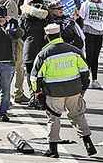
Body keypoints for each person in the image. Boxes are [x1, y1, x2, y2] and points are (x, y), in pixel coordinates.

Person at [32, 23, 95, 158]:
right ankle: (88, 143)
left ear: (47, 37)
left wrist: (37, 93)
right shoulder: (74, 51)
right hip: (74, 90)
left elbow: (34, 77)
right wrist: (83, 88)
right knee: (77, 115)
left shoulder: (43, 54)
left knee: (53, 118)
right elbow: (85, 71)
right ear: (60, 35)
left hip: (54, 93)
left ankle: (53, 150)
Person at [77, 0, 103, 89]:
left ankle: (95, 79)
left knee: (95, 57)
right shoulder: (86, 4)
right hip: (88, 32)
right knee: (89, 56)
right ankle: (84, 79)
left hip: (98, 34)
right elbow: (81, 19)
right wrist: (81, 33)